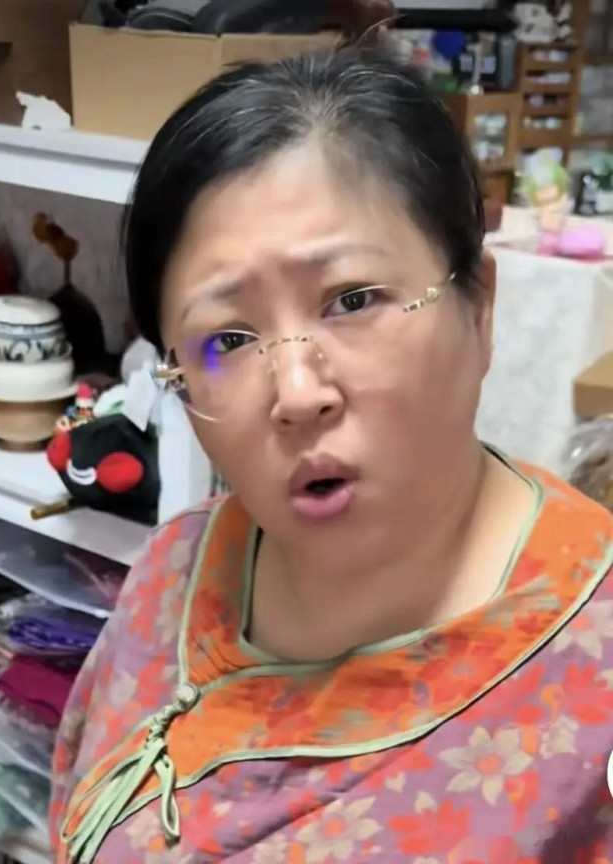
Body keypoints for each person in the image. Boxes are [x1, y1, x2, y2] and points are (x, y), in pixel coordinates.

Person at [50, 40, 613, 864]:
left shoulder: (591, 672)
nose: (297, 392)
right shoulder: (176, 571)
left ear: (478, 307)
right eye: (227, 340)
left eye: (353, 300)